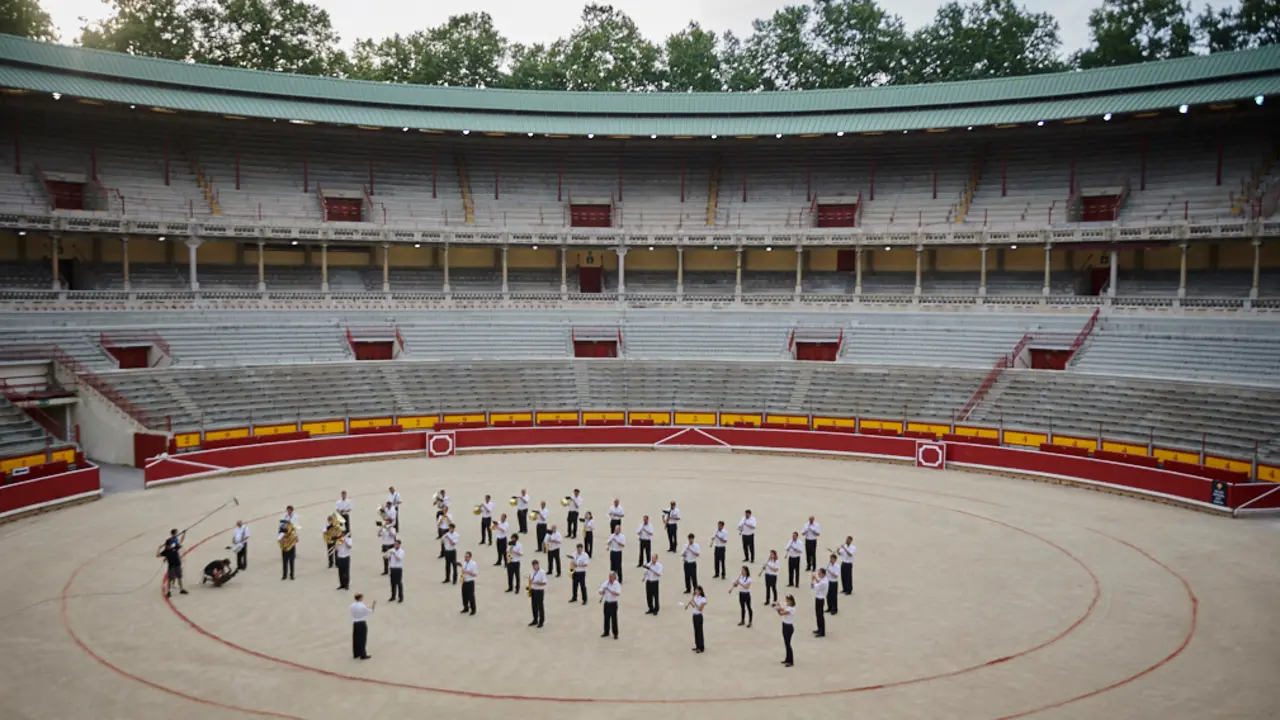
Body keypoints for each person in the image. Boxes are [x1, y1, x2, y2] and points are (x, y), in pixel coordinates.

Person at [350, 593, 375, 660]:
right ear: (360, 598)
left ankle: (356, 653)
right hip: (361, 623)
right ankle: (362, 654)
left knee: (356, 638)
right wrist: (373, 605)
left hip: (355, 623)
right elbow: (370, 611)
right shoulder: (362, 606)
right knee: (362, 639)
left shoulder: (352, 605)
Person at [599, 571, 622, 639]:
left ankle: (615, 633)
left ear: (614, 577)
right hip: (607, 603)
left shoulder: (617, 584)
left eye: (611, 577)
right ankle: (606, 631)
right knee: (606, 618)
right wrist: (602, 591)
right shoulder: (606, 583)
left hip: (613, 603)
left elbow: (617, 594)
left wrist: (609, 590)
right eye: (609, 577)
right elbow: (600, 590)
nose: (610, 578)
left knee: (614, 619)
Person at [775, 595, 797, 667]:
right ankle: (787, 658)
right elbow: (783, 609)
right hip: (785, 625)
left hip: (788, 627)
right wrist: (779, 607)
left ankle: (791, 661)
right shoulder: (789, 607)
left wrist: (778, 608)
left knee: (788, 644)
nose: (786, 602)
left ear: (791, 601)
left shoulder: (791, 609)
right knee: (786, 643)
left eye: (787, 600)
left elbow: (781, 613)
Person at [687, 586, 707, 653]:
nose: (696, 592)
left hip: (699, 616)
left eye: (697, 591)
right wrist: (691, 604)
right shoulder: (695, 597)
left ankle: (701, 647)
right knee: (696, 631)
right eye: (695, 591)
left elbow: (700, 609)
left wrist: (694, 602)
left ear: (700, 591)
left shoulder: (703, 599)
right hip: (694, 615)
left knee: (699, 632)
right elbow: (694, 607)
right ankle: (697, 645)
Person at [528, 559, 547, 628]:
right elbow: (530, 580)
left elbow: (544, 583)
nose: (534, 567)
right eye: (533, 565)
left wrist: (536, 582)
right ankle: (535, 619)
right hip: (533, 590)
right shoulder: (532, 572)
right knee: (534, 606)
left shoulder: (542, 572)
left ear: (538, 565)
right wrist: (529, 589)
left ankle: (541, 621)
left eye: (535, 565)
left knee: (540, 606)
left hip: (539, 591)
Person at [811, 568, 829, 638]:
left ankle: (822, 631)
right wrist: (815, 578)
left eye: (819, 573)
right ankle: (819, 629)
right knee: (818, 615)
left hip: (820, 599)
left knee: (820, 615)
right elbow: (819, 582)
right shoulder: (824, 579)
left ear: (823, 574)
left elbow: (812, 586)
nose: (818, 574)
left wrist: (812, 580)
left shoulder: (824, 582)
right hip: (819, 598)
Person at [460, 551, 478, 615]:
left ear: (470, 557)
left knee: (471, 596)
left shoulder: (473, 564)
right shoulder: (464, 563)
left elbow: (475, 574)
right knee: (464, 595)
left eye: (467, 557)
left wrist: (467, 572)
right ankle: (466, 607)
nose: (466, 558)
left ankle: (473, 609)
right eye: (465, 557)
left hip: (470, 582)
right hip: (464, 581)